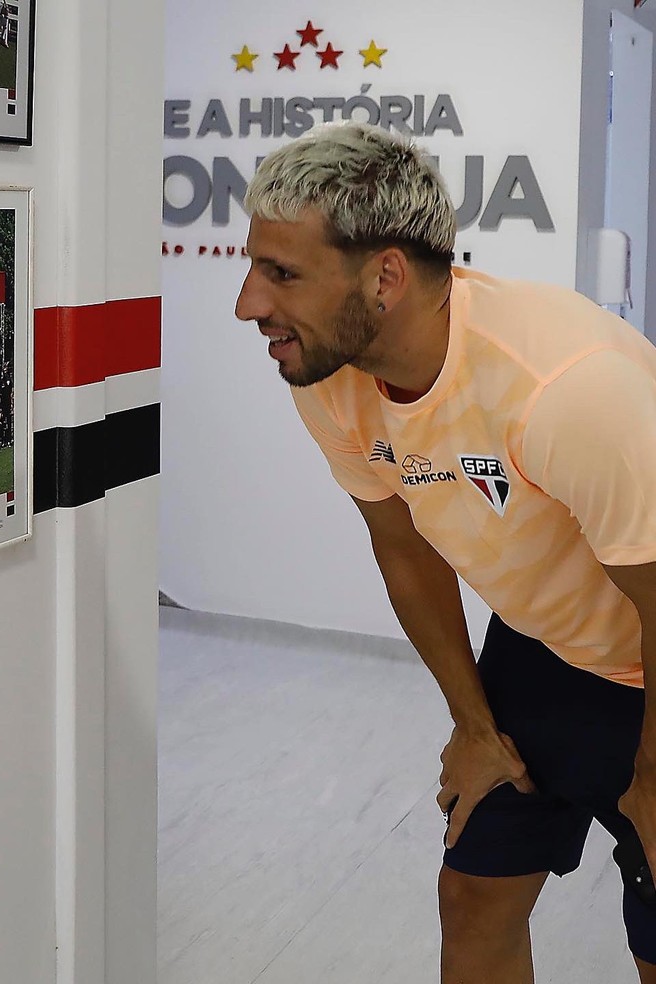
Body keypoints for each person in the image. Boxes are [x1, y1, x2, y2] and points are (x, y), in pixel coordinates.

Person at [234, 120, 656, 983]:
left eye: (282, 273)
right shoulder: (329, 373)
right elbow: (404, 550)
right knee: (472, 897)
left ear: (385, 277)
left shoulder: (563, 389)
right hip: (545, 649)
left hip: (646, 665)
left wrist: (651, 775)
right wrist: (474, 724)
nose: (249, 303)